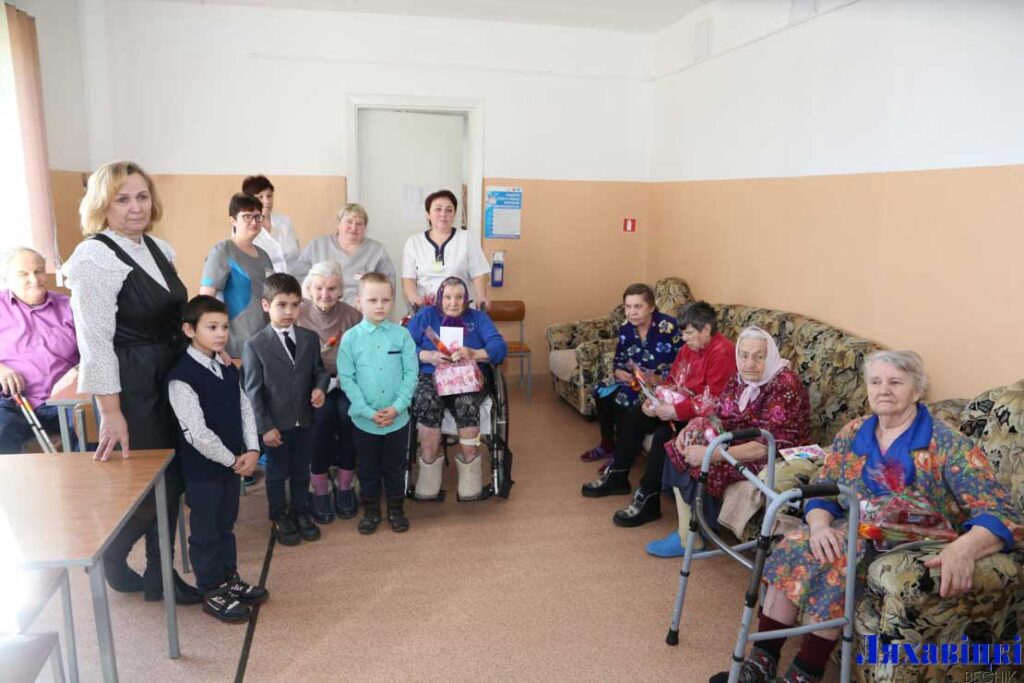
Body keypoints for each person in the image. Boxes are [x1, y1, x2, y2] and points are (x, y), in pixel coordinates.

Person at [715, 351, 1023, 683]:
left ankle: (805, 673)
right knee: (797, 544)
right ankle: (762, 661)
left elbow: (1001, 511)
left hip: (911, 542)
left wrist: (964, 549)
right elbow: (822, 490)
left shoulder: (946, 442)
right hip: (856, 530)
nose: (883, 390)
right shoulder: (854, 432)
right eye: (876, 382)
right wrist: (819, 526)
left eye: (895, 382)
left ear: (917, 390)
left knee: (840, 558)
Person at [63, 160, 200, 603]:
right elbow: (95, 342)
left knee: (174, 475)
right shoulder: (94, 257)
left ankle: (159, 572)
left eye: (141, 196)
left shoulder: (157, 248)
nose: (135, 207)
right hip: (133, 383)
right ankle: (115, 552)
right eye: (122, 199)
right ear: (102, 206)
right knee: (148, 481)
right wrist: (111, 412)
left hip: (171, 373)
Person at [649, 326, 810, 558]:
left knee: (703, 463)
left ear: (770, 356)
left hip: (775, 453)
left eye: (759, 357)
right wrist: (695, 424)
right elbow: (720, 412)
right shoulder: (739, 377)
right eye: (743, 356)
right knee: (679, 445)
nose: (749, 363)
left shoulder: (785, 384)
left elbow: (766, 445)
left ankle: (691, 536)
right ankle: (689, 531)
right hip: (739, 440)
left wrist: (711, 454)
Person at [167, 295, 268, 623]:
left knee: (226, 524)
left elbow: (244, 407)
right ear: (189, 330)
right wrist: (232, 460)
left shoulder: (225, 366)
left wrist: (252, 449)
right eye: (212, 327)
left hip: (232, 464)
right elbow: (196, 433)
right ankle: (211, 589)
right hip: (204, 470)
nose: (221, 333)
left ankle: (228, 577)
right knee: (205, 530)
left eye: (224, 327)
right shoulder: (182, 376)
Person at [609, 301, 738, 527]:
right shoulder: (689, 349)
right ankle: (618, 475)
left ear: (706, 329)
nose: (684, 339)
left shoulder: (722, 352)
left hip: (706, 418)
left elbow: (715, 402)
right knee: (635, 414)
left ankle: (649, 498)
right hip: (679, 407)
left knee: (663, 435)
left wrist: (675, 411)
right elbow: (671, 381)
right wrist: (655, 400)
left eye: (689, 333)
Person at [242, 273, 330, 546]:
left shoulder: (309, 338)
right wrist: (265, 427)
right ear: (266, 305)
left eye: (295, 305)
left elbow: (319, 371)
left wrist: (320, 389)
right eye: (282, 305)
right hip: (275, 425)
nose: (289, 311)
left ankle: (302, 510)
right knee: (278, 473)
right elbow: (253, 392)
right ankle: (280, 515)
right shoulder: (255, 345)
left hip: (304, 419)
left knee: (302, 469)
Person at [405, 276, 507, 501]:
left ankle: (470, 472)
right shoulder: (426, 316)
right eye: (448, 297)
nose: (453, 302)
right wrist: (428, 355)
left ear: (466, 298)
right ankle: (428, 469)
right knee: (426, 399)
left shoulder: (478, 318)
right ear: (440, 298)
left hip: (468, 376)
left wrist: (474, 353)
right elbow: (403, 344)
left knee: (466, 402)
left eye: (459, 297)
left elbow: (499, 347)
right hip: (431, 374)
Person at [579, 284, 683, 497]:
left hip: (660, 384)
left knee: (623, 397)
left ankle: (621, 453)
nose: (632, 312)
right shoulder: (626, 328)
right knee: (601, 389)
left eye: (638, 306)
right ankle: (607, 443)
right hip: (633, 379)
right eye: (628, 307)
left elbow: (683, 364)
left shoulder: (670, 327)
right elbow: (619, 358)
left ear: (651, 307)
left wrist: (658, 378)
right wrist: (619, 372)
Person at [337, 272, 418, 534]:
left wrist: (398, 407)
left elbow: (411, 374)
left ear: (393, 301)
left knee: (395, 467)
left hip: (398, 419)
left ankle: (396, 509)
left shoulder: (402, 336)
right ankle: (371, 511)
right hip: (365, 421)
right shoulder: (350, 338)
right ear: (359, 301)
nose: (380, 306)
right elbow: (347, 379)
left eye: (386, 300)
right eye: (373, 300)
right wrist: (367, 412)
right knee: (368, 468)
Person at [297, 260, 362, 522]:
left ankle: (346, 482)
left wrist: (346, 378)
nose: (325, 294)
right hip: (313, 384)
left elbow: (362, 356)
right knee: (321, 418)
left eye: (332, 288)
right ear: (309, 289)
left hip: (347, 381)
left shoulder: (353, 316)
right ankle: (319, 485)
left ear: (341, 290)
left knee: (349, 416)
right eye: (319, 288)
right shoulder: (299, 314)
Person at [0, 247, 79, 453]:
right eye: (23, 274)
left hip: (64, 400)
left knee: (86, 420)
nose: (34, 280)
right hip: (13, 401)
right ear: (6, 279)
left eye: (39, 271)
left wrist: (77, 371)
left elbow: (95, 350)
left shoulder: (69, 306)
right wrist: (1, 369)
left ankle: (86, 474)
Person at [199, 193, 274, 358]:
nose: (253, 222)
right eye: (247, 216)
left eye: (257, 216)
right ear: (233, 220)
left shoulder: (265, 256)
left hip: (264, 344)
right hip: (233, 349)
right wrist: (216, 346)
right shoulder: (223, 251)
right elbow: (205, 301)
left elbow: (271, 296)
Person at [402, 189, 490, 311]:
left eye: (449, 210)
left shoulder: (467, 238)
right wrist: (413, 296)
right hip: (427, 309)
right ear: (428, 214)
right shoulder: (414, 242)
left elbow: (478, 273)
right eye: (438, 209)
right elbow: (408, 278)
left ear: (454, 214)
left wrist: (481, 297)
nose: (443, 214)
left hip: (459, 308)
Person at [294, 203, 397, 305]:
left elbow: (389, 284)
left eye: (359, 223)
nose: (354, 227)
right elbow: (298, 277)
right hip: (323, 307)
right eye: (349, 222)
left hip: (361, 309)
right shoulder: (317, 245)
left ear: (365, 228)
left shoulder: (376, 250)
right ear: (339, 225)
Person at [242, 175, 300, 274]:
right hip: (261, 280)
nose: (267, 201)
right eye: (260, 197)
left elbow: (296, 255)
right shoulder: (243, 226)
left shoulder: (285, 221)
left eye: (269, 196)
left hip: (291, 278)